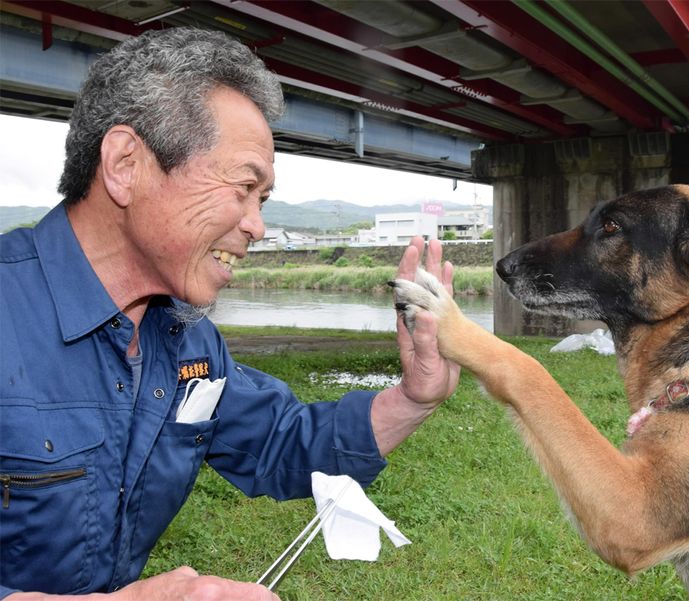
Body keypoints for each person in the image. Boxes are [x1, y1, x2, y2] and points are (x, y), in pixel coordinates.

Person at [0, 27, 459, 600]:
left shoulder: (190, 341)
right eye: (244, 186)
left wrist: (413, 397)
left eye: (262, 200)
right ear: (125, 164)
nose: (258, 226)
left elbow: (282, 444)